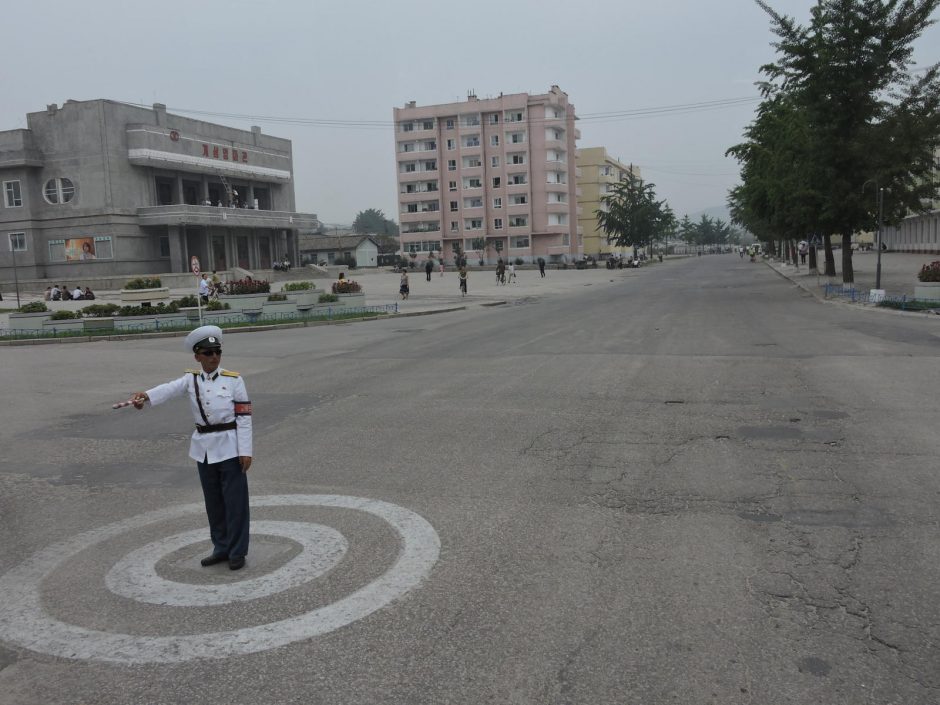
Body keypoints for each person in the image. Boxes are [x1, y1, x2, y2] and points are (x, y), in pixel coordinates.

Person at [131, 326, 253, 571]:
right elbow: (168, 389)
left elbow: (244, 418)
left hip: (230, 447)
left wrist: (246, 450)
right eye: (208, 353)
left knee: (235, 503)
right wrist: (146, 396)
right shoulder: (191, 379)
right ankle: (221, 548)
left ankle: (237, 551)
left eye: (217, 352)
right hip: (204, 450)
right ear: (197, 356)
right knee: (214, 502)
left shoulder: (233, 380)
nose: (214, 357)